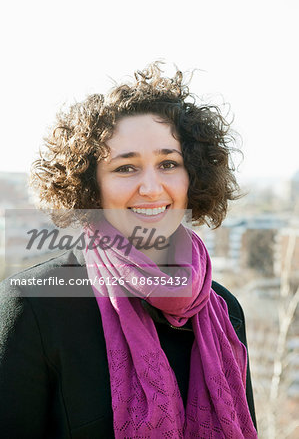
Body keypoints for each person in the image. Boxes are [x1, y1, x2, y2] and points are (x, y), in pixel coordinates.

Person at [0, 63, 258, 438]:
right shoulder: (35, 305)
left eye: (169, 163)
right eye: (125, 168)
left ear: (194, 177)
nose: (152, 188)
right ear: (91, 184)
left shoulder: (224, 308)